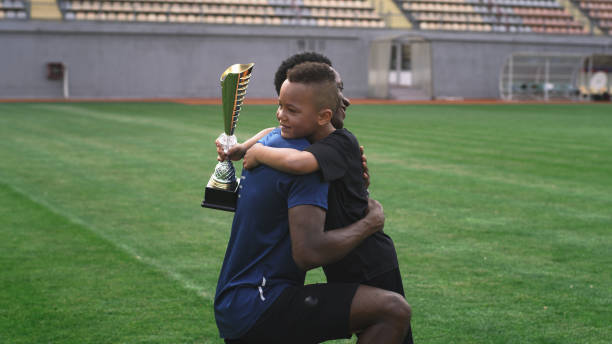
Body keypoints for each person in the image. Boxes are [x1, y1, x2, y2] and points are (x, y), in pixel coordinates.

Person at [218, 54, 413, 343]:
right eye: (338, 91)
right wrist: (371, 221)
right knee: (393, 311)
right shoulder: (301, 160)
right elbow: (308, 252)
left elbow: (270, 135)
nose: (344, 101)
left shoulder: (276, 145)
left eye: (341, 90)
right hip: (263, 302)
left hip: (236, 301)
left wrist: (246, 150)